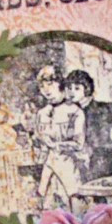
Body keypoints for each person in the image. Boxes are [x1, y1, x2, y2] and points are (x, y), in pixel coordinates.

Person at [65, 69, 112, 181]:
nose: (72, 92)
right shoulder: (70, 114)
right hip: (83, 165)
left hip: (109, 161)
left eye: (77, 88)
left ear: (87, 89)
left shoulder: (105, 109)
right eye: (69, 88)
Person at [34, 65, 86, 207]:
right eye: (42, 86)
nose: (46, 90)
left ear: (60, 84)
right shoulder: (42, 113)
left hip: (68, 166)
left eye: (50, 84)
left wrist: (57, 145)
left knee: (75, 205)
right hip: (49, 168)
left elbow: (79, 144)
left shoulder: (75, 111)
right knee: (45, 206)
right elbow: (40, 138)